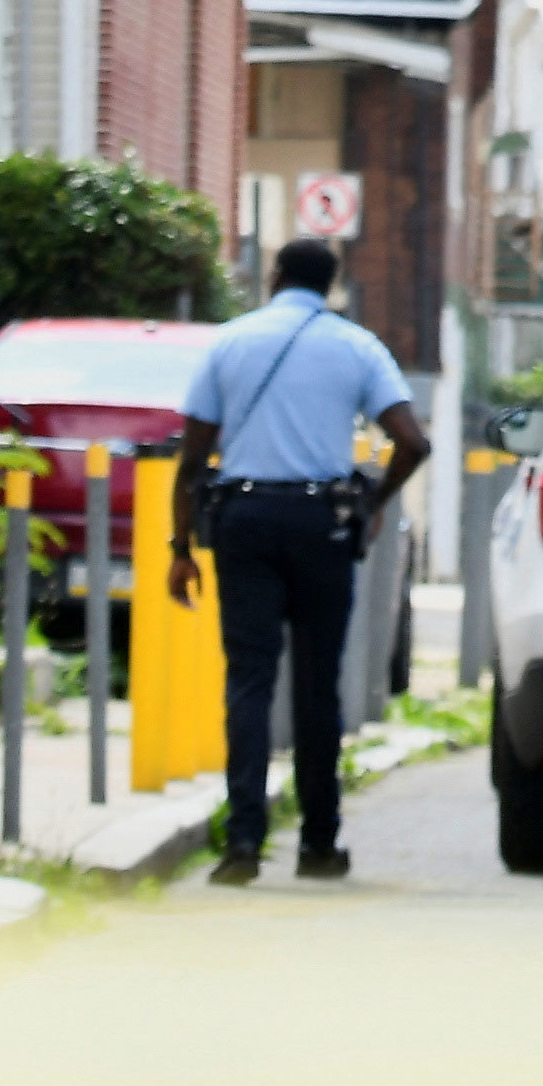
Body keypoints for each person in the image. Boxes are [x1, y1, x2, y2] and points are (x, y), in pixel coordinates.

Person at [164, 239, 431, 885]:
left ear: (275, 277)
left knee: (250, 681)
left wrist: (181, 548)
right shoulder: (357, 347)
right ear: (331, 284)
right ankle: (318, 843)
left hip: (245, 521)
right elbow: (413, 441)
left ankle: (244, 844)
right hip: (321, 525)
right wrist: (372, 498)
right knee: (318, 686)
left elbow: (193, 457)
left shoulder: (230, 342)